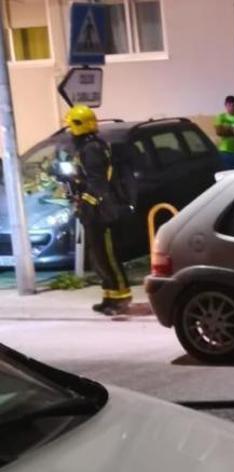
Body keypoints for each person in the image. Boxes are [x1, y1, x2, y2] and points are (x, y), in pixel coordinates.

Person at [65, 105, 133, 316]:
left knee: (108, 256)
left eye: (71, 126)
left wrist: (88, 201)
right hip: (95, 208)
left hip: (101, 210)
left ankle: (121, 298)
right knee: (98, 257)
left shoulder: (91, 149)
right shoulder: (89, 146)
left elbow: (98, 183)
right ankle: (109, 296)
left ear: (78, 126)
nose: (69, 131)